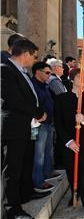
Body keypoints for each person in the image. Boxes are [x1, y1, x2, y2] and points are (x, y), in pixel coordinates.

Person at [1, 39, 49, 219]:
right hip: (13, 127)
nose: (34, 60)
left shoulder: (22, 72)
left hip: (26, 126)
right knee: (12, 169)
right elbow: (14, 100)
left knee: (26, 161)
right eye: (34, 56)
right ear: (26, 54)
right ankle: (12, 208)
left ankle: (27, 192)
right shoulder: (5, 69)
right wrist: (38, 113)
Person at [54, 69, 84, 217]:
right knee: (72, 172)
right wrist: (68, 141)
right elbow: (58, 123)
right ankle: (76, 193)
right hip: (69, 143)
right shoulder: (61, 98)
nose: (83, 79)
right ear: (72, 79)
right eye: (79, 77)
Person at [31, 62, 62, 193]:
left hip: (49, 122)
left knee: (48, 150)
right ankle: (38, 181)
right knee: (39, 154)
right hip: (40, 123)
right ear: (38, 72)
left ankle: (48, 172)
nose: (50, 76)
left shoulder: (44, 85)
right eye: (47, 73)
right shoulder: (33, 86)